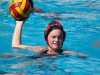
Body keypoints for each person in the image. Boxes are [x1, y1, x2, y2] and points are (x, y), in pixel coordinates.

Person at [12, 20, 88, 58]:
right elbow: (16, 45)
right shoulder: (40, 50)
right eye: (53, 37)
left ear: (63, 38)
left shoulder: (66, 53)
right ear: (46, 37)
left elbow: (85, 57)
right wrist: (19, 23)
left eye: (60, 37)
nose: (57, 40)